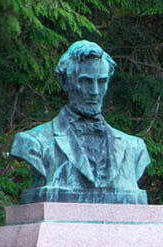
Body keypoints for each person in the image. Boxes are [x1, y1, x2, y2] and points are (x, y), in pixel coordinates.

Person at [11, 40, 150, 204]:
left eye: (102, 81)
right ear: (65, 82)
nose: (95, 92)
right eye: (86, 81)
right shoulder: (33, 143)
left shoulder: (134, 148)